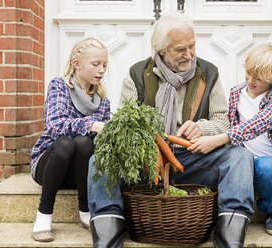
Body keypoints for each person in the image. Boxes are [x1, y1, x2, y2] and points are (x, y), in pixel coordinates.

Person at [87, 12, 255, 248]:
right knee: (99, 161)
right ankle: (107, 237)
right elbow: (125, 123)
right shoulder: (136, 74)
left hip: (193, 159)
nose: (189, 54)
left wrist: (202, 128)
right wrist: (149, 143)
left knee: (240, 157)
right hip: (146, 164)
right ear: (161, 50)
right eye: (180, 49)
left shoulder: (209, 72)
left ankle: (230, 238)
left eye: (192, 46)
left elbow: (223, 120)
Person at [189, 43, 272, 238]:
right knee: (266, 165)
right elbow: (229, 122)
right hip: (257, 167)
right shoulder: (237, 93)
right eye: (248, 73)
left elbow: (260, 123)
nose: (251, 81)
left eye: (259, 78)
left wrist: (218, 140)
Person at [30, 37, 110, 242]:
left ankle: (85, 209)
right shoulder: (60, 86)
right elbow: (54, 125)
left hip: (78, 173)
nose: (101, 70)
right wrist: (89, 125)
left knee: (84, 143)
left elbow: (99, 143)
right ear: (76, 64)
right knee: (66, 142)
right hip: (50, 166)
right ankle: (44, 213)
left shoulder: (102, 101)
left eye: (104, 65)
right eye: (95, 64)